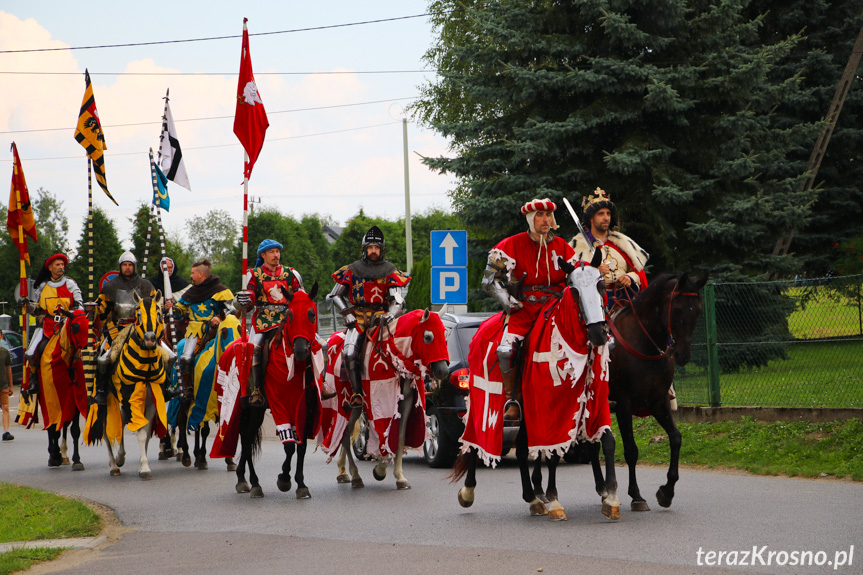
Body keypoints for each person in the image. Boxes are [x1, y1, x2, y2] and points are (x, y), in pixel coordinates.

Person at [482, 199, 579, 422]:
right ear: (530, 218)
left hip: (556, 306)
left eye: (548, 215)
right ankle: (512, 400)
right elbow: (488, 282)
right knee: (506, 350)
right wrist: (509, 302)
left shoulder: (564, 247)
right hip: (524, 308)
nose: (545, 219)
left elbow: (575, 279)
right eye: (540, 215)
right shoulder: (510, 245)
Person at [327, 225, 410, 399]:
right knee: (349, 353)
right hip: (357, 317)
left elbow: (398, 299)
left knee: (402, 350)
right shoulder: (352, 270)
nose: (373, 251)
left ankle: (405, 387)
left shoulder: (390, 272)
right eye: (370, 248)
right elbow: (334, 295)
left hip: (383, 318)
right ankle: (357, 393)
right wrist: (347, 313)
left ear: (382, 250)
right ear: (365, 249)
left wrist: (391, 314)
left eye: (377, 248)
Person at [235, 239, 303, 407]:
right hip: (264, 318)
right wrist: (243, 299)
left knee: (312, 342)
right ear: (263, 255)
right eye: (272, 252)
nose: (276, 255)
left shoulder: (291, 273)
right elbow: (250, 297)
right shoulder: (254, 274)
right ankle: (257, 389)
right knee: (255, 347)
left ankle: (318, 384)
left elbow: (301, 297)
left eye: (277, 252)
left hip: (287, 317)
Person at [94, 251, 160, 405]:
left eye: (130, 265)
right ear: (120, 266)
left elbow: (155, 306)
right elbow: (102, 308)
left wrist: (164, 307)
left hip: (141, 328)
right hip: (117, 328)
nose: (128, 268)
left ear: (134, 266)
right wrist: (95, 309)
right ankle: (102, 390)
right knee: (104, 357)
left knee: (165, 353)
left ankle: (166, 384)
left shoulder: (146, 285)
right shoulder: (110, 286)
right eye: (125, 265)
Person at [166, 259, 236, 401]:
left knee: (230, 354)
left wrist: (218, 317)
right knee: (186, 357)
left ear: (201, 274)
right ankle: (188, 388)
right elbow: (180, 310)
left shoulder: (220, 290)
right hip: (195, 331)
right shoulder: (191, 292)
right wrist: (171, 308)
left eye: (193, 273)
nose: (190, 276)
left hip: (216, 329)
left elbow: (231, 309)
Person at [571, 187, 648, 310]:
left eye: (608, 214)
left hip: (624, 303)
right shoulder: (577, 247)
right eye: (601, 214)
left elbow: (639, 272)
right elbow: (572, 280)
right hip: (594, 306)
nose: (606, 217)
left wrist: (630, 277)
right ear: (591, 218)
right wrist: (594, 272)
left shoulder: (623, 243)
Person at [19, 253, 84, 397]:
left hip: (67, 326)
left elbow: (80, 306)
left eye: (62, 265)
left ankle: (83, 378)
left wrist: (69, 315)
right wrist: (27, 305)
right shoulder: (43, 286)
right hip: (48, 327)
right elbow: (37, 310)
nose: (61, 267)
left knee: (82, 349)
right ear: (50, 268)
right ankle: (34, 382)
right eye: (57, 265)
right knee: (31, 353)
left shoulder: (70, 284)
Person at [0, 331, 13, 441]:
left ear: (1, 337)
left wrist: (11, 386)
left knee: (5, 407)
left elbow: (8, 369)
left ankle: (6, 431)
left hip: (3, 384)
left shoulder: (5, 352)